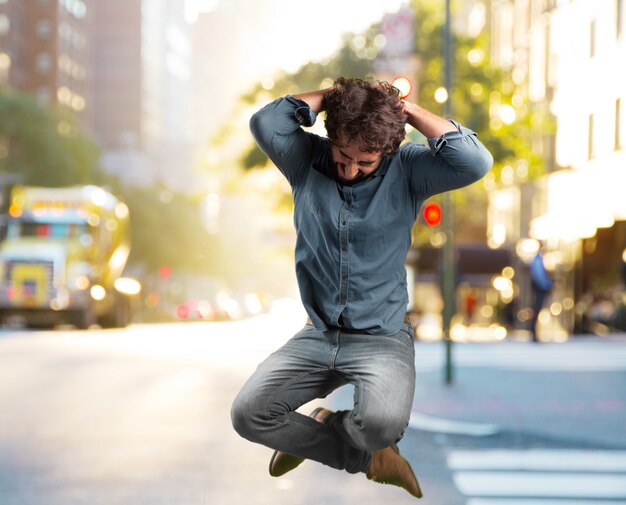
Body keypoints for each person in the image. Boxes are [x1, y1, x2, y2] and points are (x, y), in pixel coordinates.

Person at [230, 77, 493, 499]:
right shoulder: (304, 160)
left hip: (381, 340)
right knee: (249, 414)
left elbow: (474, 161)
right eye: (343, 156)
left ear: (386, 152)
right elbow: (266, 122)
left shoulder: (408, 170)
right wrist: (332, 98)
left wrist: (402, 110)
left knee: (380, 426)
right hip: (316, 335)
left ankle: (351, 436)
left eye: (365, 163)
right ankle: (365, 457)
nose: (350, 169)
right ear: (331, 138)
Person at [529, 249, 553, 342]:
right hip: (540, 289)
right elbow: (538, 276)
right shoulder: (538, 260)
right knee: (537, 310)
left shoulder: (538, 260)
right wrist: (547, 285)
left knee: (537, 310)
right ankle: (533, 332)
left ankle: (534, 332)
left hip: (540, 288)